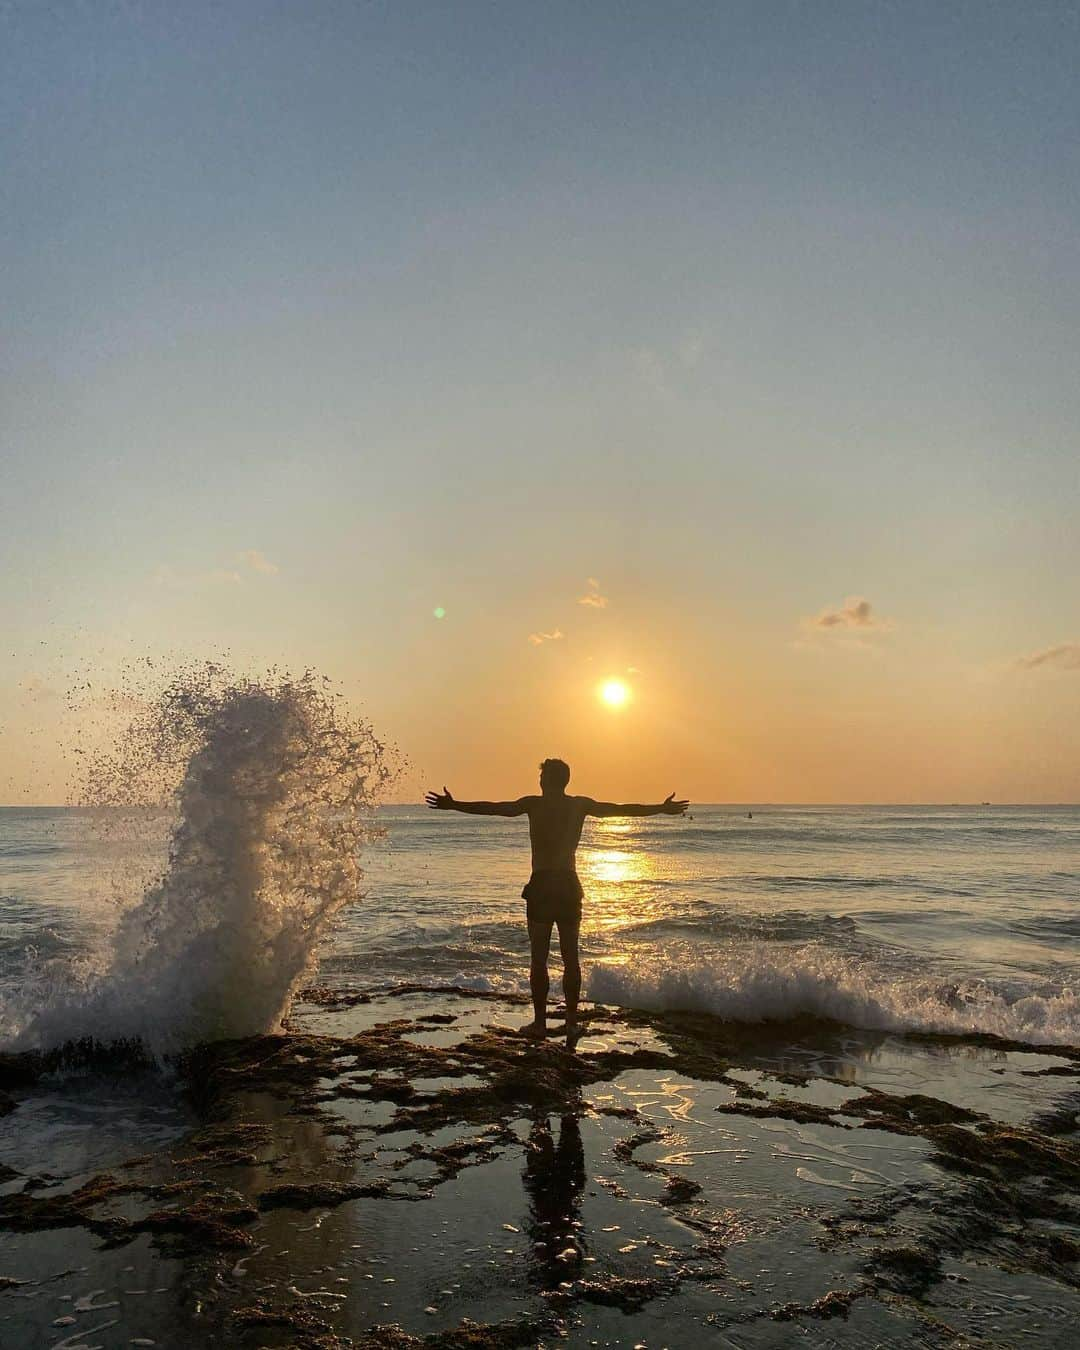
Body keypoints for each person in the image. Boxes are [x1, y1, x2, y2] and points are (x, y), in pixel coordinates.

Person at [425, 759, 688, 1038]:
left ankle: (540, 1024)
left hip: (542, 885)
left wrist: (455, 805)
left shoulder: (533, 804)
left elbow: (494, 808)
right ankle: (571, 1022)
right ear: (566, 781)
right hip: (567, 885)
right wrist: (660, 808)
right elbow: (621, 810)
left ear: (543, 781)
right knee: (570, 958)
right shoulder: (579, 805)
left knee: (538, 959)